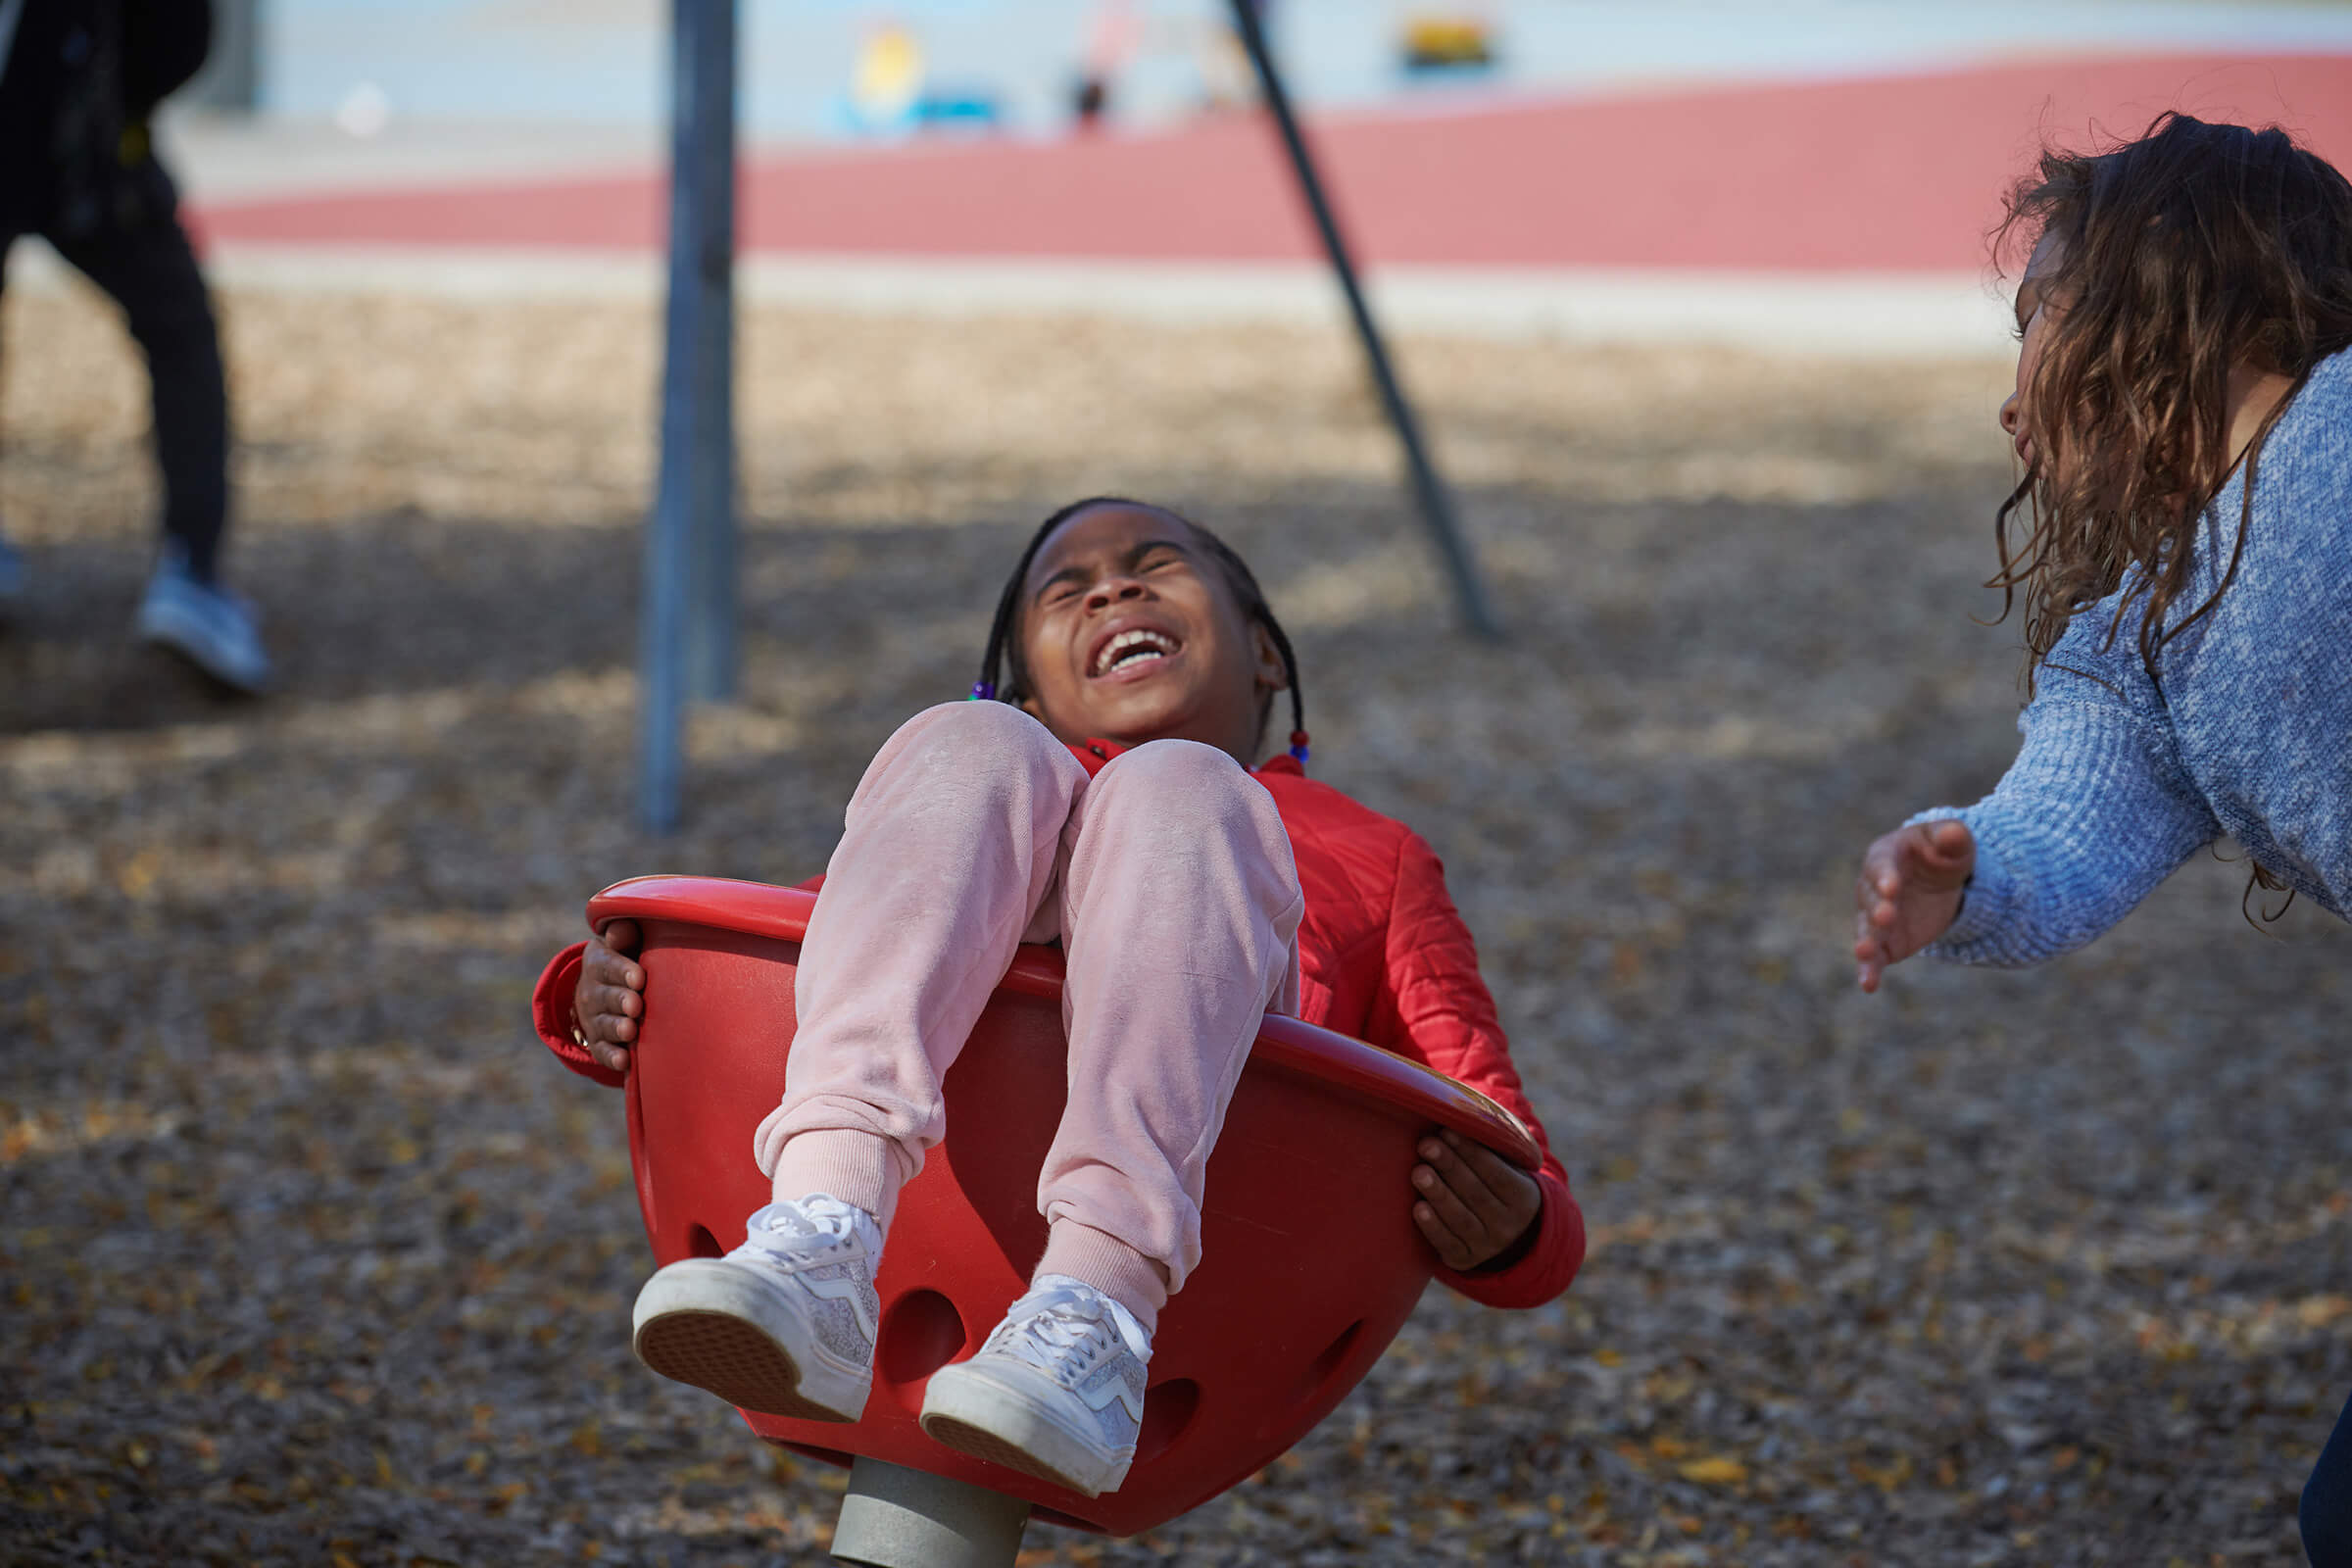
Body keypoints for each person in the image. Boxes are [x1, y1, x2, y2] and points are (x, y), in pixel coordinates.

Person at [530, 497, 1585, 1497]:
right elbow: (803, 957)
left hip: (1203, 1225)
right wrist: (612, 995)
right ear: (1031, 685)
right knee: (960, 742)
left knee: (1180, 789)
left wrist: (1515, 1220)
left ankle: (1097, 1312)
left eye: (1153, 567)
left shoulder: (1373, 855)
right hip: (924, 1205)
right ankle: (821, 1234)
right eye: (1065, 589)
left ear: (1265, 650)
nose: (1110, 594)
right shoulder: (995, 781)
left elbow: (1502, 1141)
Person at [1846, 115, 2352, 1564]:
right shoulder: (2148, 631)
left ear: (2173, 296)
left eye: (2036, 319)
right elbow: (2059, 833)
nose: (2013, 392)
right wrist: (1964, 871)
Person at [0, 0, 270, 692]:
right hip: (74, 124)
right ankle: (193, 572)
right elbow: (179, 37)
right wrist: (124, 101)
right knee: (180, 327)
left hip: (59, 101)